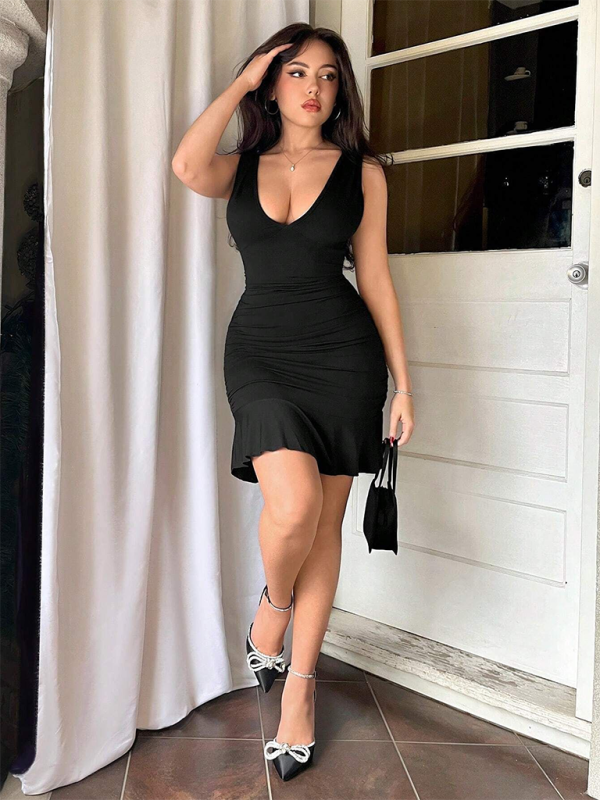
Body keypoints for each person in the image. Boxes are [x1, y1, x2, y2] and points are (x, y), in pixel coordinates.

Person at [172, 22, 414, 782]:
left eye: (329, 75)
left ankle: (300, 689)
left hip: (343, 357)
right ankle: (271, 609)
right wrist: (240, 82)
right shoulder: (241, 167)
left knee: (324, 526)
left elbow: (374, 277)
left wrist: (404, 384)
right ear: (273, 83)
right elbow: (186, 165)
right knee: (294, 506)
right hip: (260, 354)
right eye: (298, 72)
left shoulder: (362, 172)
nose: (315, 87)